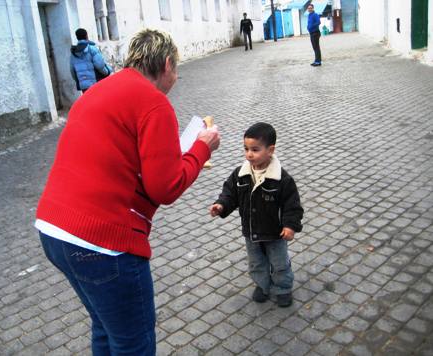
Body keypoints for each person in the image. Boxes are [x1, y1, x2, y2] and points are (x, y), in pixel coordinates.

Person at [36, 28, 220, 355]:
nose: (176, 78)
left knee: (107, 329)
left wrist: (176, 157)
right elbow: (164, 187)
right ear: (165, 64)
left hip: (53, 229)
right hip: (102, 243)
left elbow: (120, 158)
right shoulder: (154, 103)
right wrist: (202, 149)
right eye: (176, 70)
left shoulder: (96, 91)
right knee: (134, 343)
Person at [209, 122, 303, 307]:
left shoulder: (282, 179)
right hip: (251, 232)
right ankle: (262, 285)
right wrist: (221, 205)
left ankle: (283, 288)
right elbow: (230, 193)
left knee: (279, 263)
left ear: (270, 150)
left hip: (275, 234)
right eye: (246, 149)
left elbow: (292, 206)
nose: (249, 154)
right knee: (256, 263)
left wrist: (290, 226)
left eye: (255, 149)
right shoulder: (240, 174)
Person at [70, 28, 113, 93]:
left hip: (84, 86)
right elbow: (100, 65)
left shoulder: (73, 53)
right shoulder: (91, 49)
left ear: (77, 38)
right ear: (86, 36)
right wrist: (107, 72)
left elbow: (72, 71)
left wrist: (80, 81)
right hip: (95, 83)